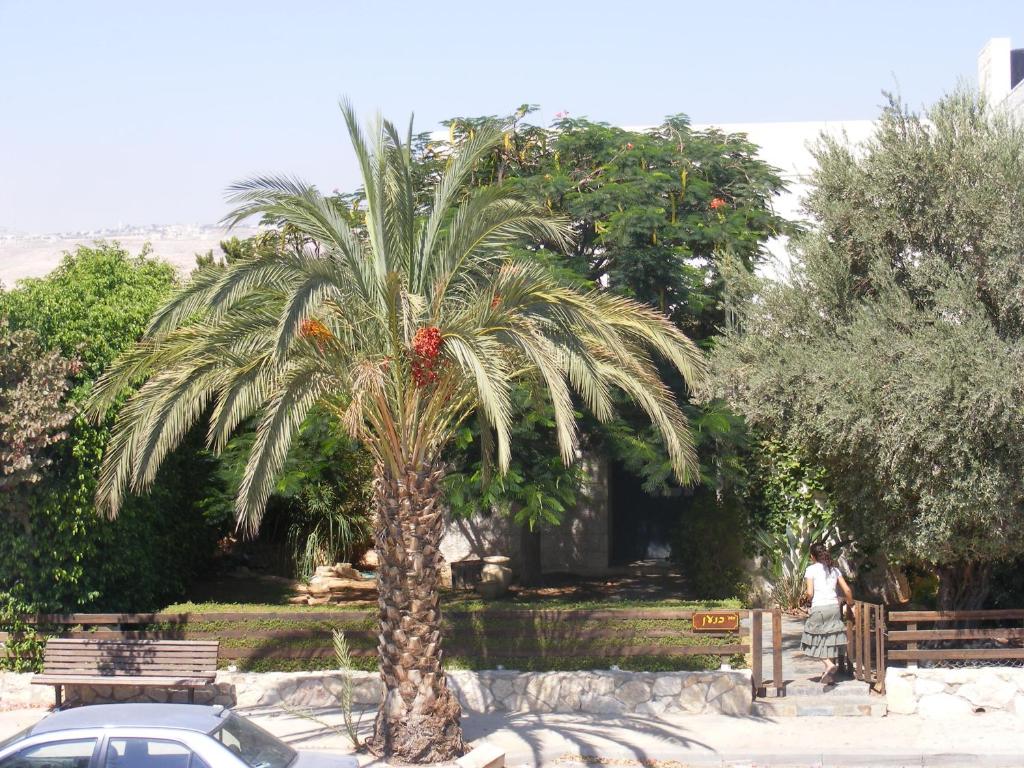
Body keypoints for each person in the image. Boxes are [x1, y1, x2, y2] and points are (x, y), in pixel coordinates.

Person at [800, 541, 854, 684]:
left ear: (812, 556)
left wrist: (805, 599)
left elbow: (810, 593)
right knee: (829, 639)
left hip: (819, 607)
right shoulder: (834, 570)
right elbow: (847, 590)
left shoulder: (811, 570)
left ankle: (829, 664)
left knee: (811, 638)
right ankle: (828, 675)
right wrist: (851, 604)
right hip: (834, 607)